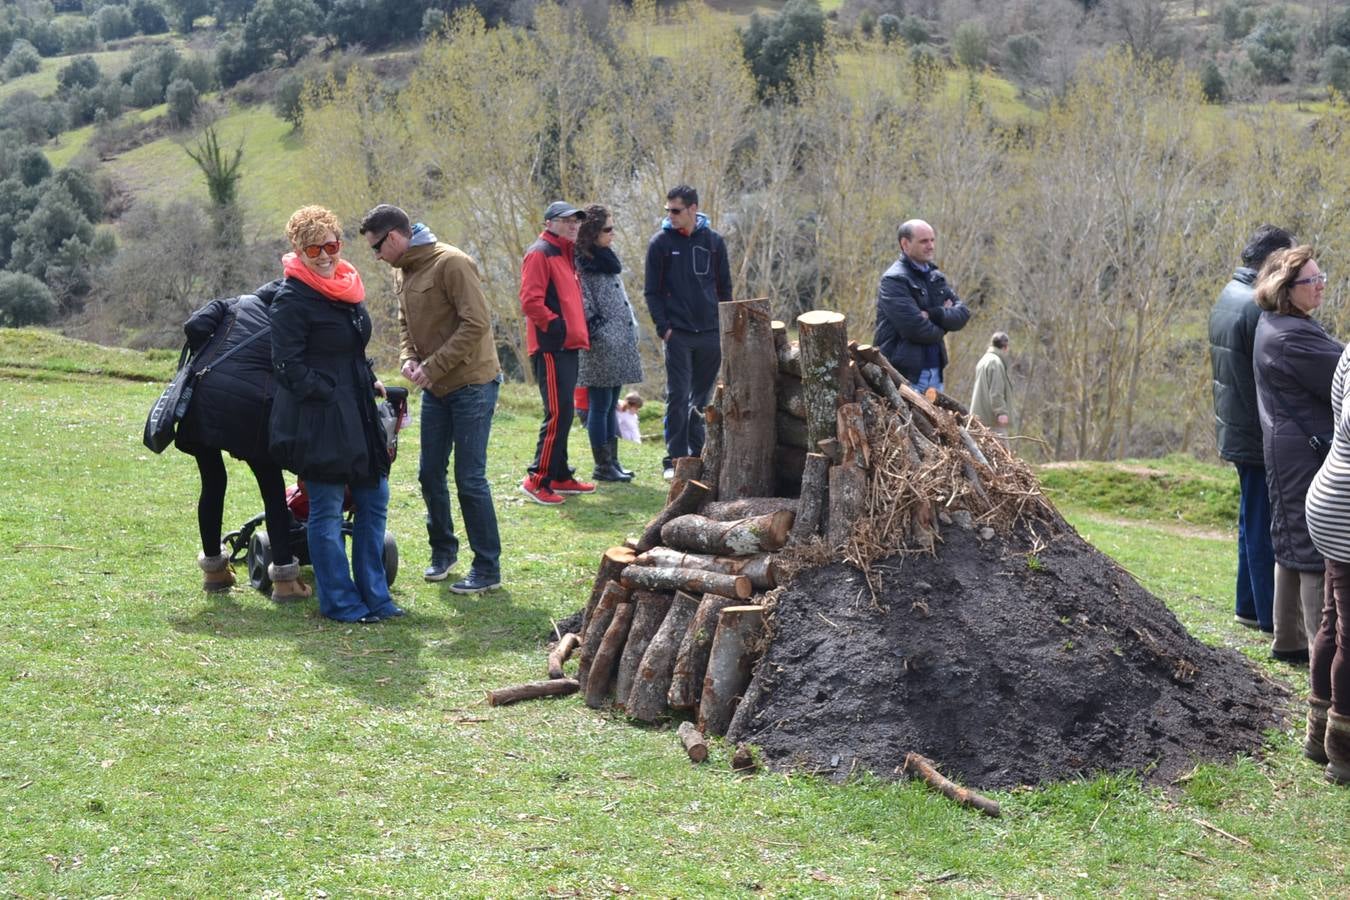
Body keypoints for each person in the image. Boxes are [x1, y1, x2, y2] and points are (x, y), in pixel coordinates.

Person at [268, 205, 403, 624]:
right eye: (314, 249)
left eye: (331, 245)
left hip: (358, 410)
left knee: (373, 498)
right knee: (325, 508)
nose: (325, 255)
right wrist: (326, 392)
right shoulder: (292, 298)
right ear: (298, 249)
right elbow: (286, 364)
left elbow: (351, 350)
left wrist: (367, 377)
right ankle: (341, 602)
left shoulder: (346, 288)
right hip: (322, 417)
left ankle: (376, 597)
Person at [360, 204, 503, 595]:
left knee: (469, 478)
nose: (375, 256)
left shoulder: (452, 263)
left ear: (394, 237)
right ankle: (444, 552)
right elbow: (406, 325)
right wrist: (408, 358)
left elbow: (476, 323)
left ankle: (488, 568)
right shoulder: (400, 271)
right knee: (429, 473)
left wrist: (434, 365)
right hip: (436, 389)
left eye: (377, 247)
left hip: (472, 384)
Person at [175, 282, 310, 603]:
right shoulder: (287, 322)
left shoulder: (233, 304)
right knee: (272, 489)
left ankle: (214, 572)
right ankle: (285, 581)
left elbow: (194, 326)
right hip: (252, 407)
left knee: (213, 481)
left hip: (203, 398)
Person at [1252, 245, 1342, 663]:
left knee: (1287, 539)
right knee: (1308, 551)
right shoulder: (1292, 336)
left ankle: (1287, 638)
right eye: (1312, 280)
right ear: (1287, 289)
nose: (1321, 285)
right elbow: (1342, 368)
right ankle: (1315, 644)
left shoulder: (1276, 324)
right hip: (1305, 453)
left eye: (1322, 277)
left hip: (1285, 446)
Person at [1209, 225, 1296, 634]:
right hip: (1256, 432)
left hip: (1235, 427)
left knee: (1250, 519)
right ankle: (1267, 616)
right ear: (1271, 260)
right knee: (1264, 526)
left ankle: (1247, 605)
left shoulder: (1228, 296)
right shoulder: (1256, 308)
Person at [643, 185, 732, 480]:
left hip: (710, 333)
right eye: (668, 210)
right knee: (678, 396)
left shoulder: (714, 242)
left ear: (693, 209)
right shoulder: (660, 243)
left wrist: (724, 326)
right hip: (677, 333)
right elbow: (652, 292)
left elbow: (724, 289)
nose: (671, 215)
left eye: (676, 210)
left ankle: (698, 454)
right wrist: (664, 328)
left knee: (702, 399)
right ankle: (675, 459)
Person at [519, 200, 595, 505]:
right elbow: (530, 301)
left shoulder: (564, 254)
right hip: (552, 346)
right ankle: (537, 479)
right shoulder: (541, 252)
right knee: (558, 412)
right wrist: (558, 328)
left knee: (564, 413)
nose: (574, 225)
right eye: (567, 221)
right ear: (549, 222)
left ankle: (560, 474)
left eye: (577, 221)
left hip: (568, 345)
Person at [1304, 335, 1350, 784]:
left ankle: (1319, 737)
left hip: (1331, 494)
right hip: (1344, 507)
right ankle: (1343, 753)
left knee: (1333, 618)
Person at [576, 203, 644, 483]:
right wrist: (601, 332)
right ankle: (602, 466)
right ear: (592, 232)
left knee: (609, 404)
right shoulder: (581, 263)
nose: (612, 233)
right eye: (607, 229)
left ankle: (612, 461)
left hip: (619, 342)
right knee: (600, 405)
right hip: (602, 345)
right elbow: (584, 304)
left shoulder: (605, 258)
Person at [874, 219, 971, 392]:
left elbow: (963, 314)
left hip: (936, 372)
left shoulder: (936, 277)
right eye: (924, 241)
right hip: (903, 376)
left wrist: (934, 315)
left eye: (932, 240)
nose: (931, 245)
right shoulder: (894, 280)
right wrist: (945, 325)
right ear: (905, 244)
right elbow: (916, 329)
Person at [969, 331, 1014, 439]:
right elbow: (996, 391)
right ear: (1005, 347)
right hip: (991, 419)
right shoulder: (996, 363)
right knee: (1004, 452)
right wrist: (1001, 412)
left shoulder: (984, 359)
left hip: (979, 417)